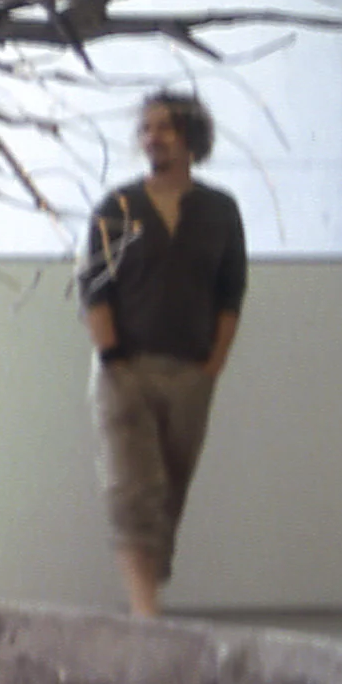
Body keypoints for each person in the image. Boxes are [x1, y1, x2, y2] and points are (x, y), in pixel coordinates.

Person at [80, 91, 247, 618]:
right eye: (147, 129)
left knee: (169, 491)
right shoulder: (118, 206)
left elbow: (231, 293)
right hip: (124, 370)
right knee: (135, 489)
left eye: (165, 128)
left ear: (192, 138)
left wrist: (212, 367)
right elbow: (94, 287)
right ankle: (145, 615)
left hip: (190, 374)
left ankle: (147, 600)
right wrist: (112, 359)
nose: (153, 137)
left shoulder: (220, 211)